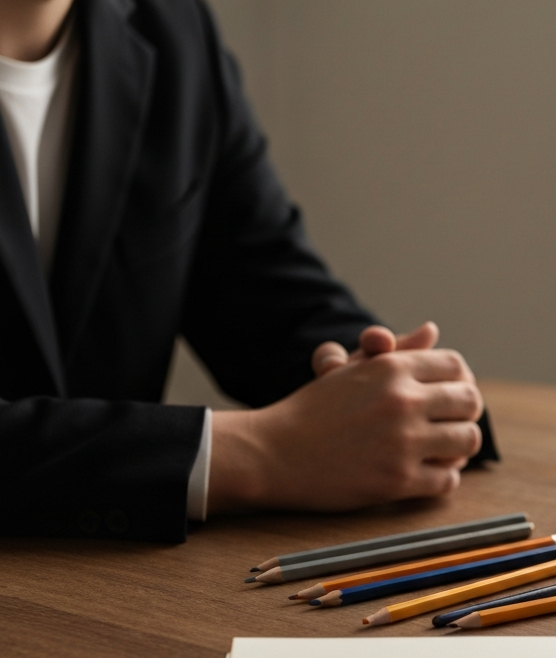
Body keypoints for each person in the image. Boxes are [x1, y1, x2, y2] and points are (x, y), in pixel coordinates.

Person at [0, 0, 490, 543]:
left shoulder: (171, 26)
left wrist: (396, 390)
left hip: (115, 591)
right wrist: (257, 454)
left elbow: (264, 287)